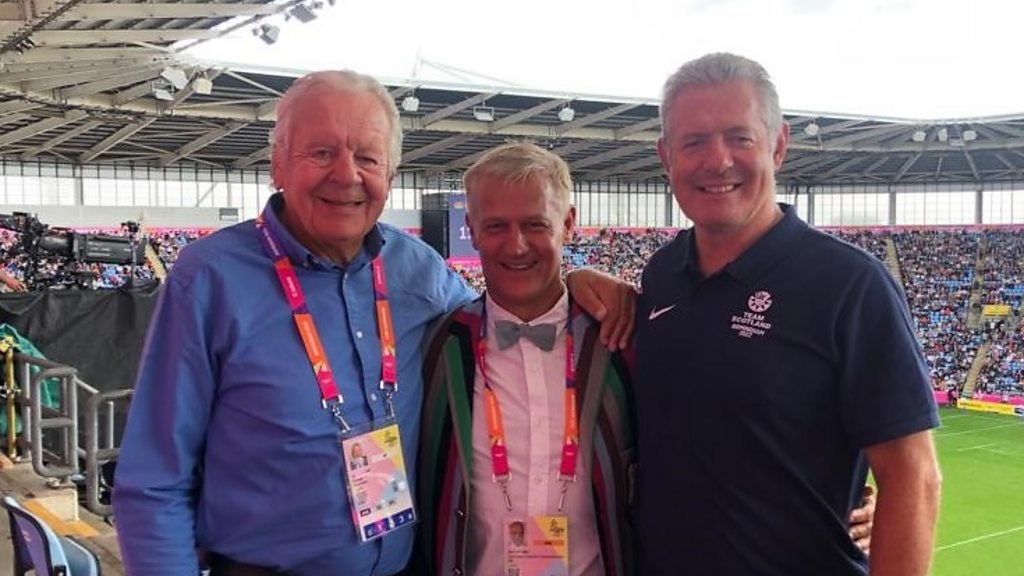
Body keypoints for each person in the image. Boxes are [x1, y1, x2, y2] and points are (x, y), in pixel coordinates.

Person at [112, 71, 633, 576]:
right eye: (321, 153)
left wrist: (578, 281)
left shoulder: (417, 269)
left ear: (389, 174)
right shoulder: (209, 278)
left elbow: (510, 309)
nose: (346, 175)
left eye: (367, 157)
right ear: (277, 165)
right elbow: (154, 480)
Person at [634, 53, 942, 575]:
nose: (718, 161)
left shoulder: (850, 285)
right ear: (666, 155)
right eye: (694, 142)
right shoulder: (662, 274)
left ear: (777, 145)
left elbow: (915, 476)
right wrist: (581, 279)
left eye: (739, 137)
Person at [418, 143, 637, 576]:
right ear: (471, 229)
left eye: (535, 224)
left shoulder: (619, 338)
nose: (516, 246)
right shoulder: (440, 346)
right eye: (495, 226)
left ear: (568, 224)